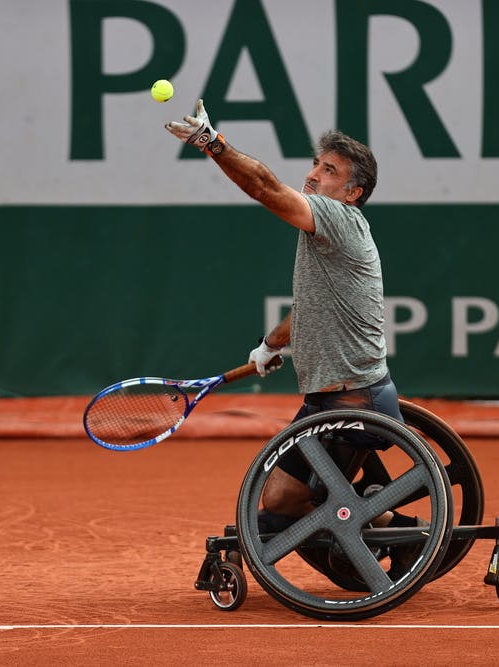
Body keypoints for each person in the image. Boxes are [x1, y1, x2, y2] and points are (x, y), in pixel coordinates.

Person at [165, 100, 415, 533]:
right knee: (280, 502)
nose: (314, 175)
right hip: (329, 399)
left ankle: (394, 527)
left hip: (352, 403)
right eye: (316, 165)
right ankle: (380, 516)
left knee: (284, 503)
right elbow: (309, 310)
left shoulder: (339, 218)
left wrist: (214, 144)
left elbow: (265, 188)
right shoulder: (326, 235)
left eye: (330, 171)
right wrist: (270, 344)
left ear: (352, 193)